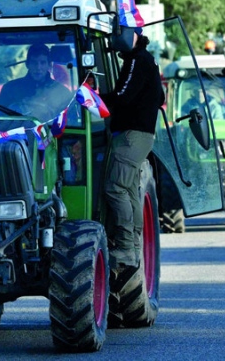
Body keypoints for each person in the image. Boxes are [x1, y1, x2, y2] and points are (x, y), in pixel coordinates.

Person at [99, 27, 165, 277]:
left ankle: (126, 247)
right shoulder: (144, 60)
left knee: (115, 187)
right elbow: (158, 96)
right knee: (127, 189)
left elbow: (123, 97)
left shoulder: (138, 61)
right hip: (140, 135)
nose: (114, 42)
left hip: (131, 136)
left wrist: (92, 98)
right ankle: (133, 245)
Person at [0, 44, 73, 121]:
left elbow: (71, 121)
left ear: (49, 65)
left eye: (42, 63)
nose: (38, 67)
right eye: (34, 62)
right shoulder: (11, 89)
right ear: (27, 64)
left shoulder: (62, 93)